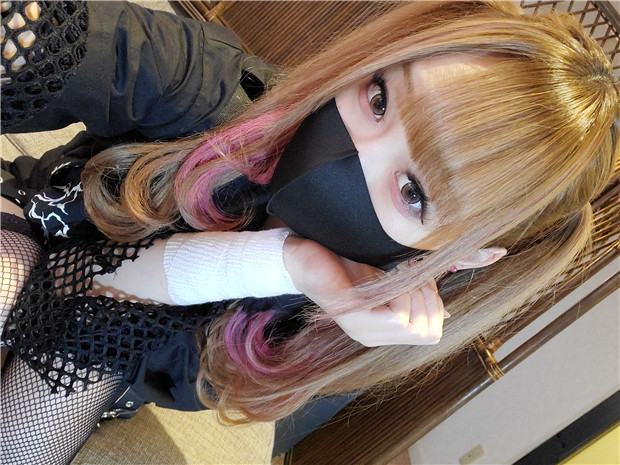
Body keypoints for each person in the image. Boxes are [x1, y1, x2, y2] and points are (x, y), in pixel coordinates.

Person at [1, 1, 618, 464]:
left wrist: (289, 263)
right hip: (30, 226)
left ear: (466, 254)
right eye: (379, 98)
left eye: (414, 193)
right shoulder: (210, 88)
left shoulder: (354, 327)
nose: (355, 151)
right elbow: (55, 40)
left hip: (86, 358)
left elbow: (90, 306)